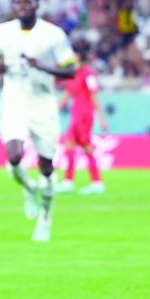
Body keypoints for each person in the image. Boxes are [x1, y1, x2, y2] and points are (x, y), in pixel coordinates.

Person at [0, 0, 76, 243]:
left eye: (28, 2)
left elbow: (71, 70)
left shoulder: (53, 34)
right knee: (14, 156)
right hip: (14, 100)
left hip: (43, 102)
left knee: (47, 166)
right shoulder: (2, 32)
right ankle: (29, 188)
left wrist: (42, 66)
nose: (23, 6)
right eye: (18, 2)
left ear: (37, 5)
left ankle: (45, 221)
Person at [56, 47, 107, 194]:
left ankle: (97, 182)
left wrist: (101, 118)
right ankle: (68, 181)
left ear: (79, 57)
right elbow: (66, 95)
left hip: (84, 116)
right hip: (75, 115)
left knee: (86, 146)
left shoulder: (88, 74)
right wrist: (53, 110)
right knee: (69, 144)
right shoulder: (73, 74)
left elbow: (94, 96)